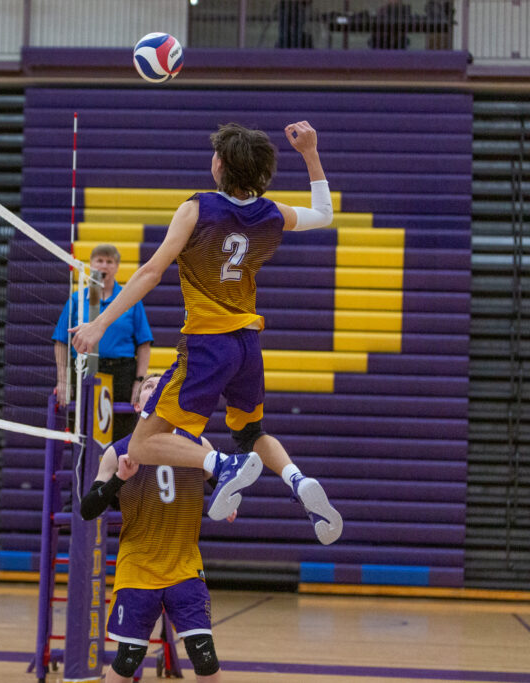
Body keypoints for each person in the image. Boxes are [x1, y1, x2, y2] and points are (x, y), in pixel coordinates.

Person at [72, 121, 343, 545]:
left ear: (219, 165)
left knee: (140, 446)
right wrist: (310, 152)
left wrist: (99, 323)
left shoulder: (197, 208)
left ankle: (222, 465)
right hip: (247, 344)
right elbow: (325, 214)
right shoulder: (271, 213)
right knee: (250, 433)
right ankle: (297, 478)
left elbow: (151, 271)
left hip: (207, 345)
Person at [80, 374, 230, 682]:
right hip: (138, 567)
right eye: (148, 385)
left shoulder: (197, 445)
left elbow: (226, 485)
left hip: (184, 566)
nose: (156, 387)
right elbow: (87, 509)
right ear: (138, 405)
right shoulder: (118, 452)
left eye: (162, 384)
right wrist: (119, 479)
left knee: (204, 657)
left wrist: (228, 500)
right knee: (128, 659)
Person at [53, 243, 153, 439]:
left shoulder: (130, 300)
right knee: (83, 431)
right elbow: (60, 342)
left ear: (116, 267)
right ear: (91, 264)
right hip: (84, 369)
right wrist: (63, 380)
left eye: (109, 261)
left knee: (121, 432)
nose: (104, 265)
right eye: (99, 260)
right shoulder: (76, 300)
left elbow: (144, 344)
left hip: (122, 374)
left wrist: (139, 382)